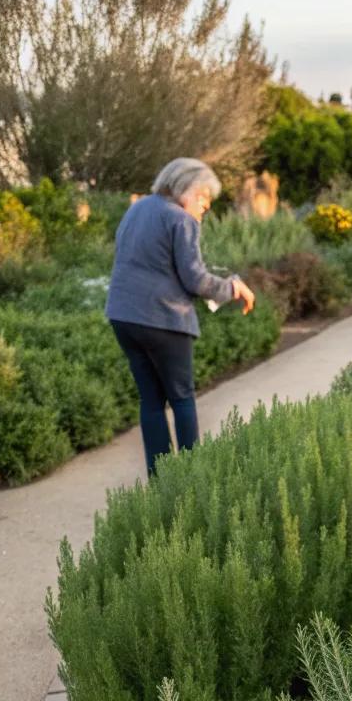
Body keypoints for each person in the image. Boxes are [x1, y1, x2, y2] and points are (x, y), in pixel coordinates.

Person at [106, 158, 255, 476]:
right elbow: (195, 280)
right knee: (182, 397)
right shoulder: (181, 219)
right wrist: (232, 288)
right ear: (186, 189)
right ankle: (191, 478)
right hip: (163, 318)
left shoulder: (138, 209)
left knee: (151, 401)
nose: (205, 207)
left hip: (123, 317)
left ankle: (161, 481)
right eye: (203, 198)